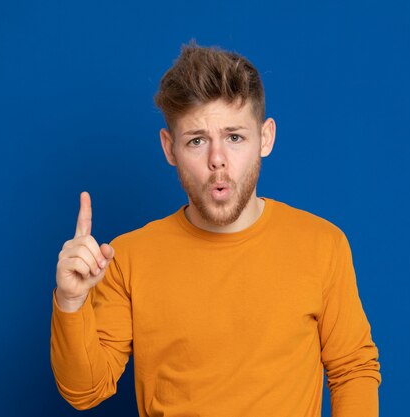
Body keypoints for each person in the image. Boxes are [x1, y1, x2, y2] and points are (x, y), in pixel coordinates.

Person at [50, 42, 381, 417]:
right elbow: (85, 391)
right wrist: (71, 302)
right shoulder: (127, 258)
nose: (217, 160)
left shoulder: (323, 245)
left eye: (234, 137)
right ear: (169, 148)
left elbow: (353, 368)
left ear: (265, 138)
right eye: (197, 141)